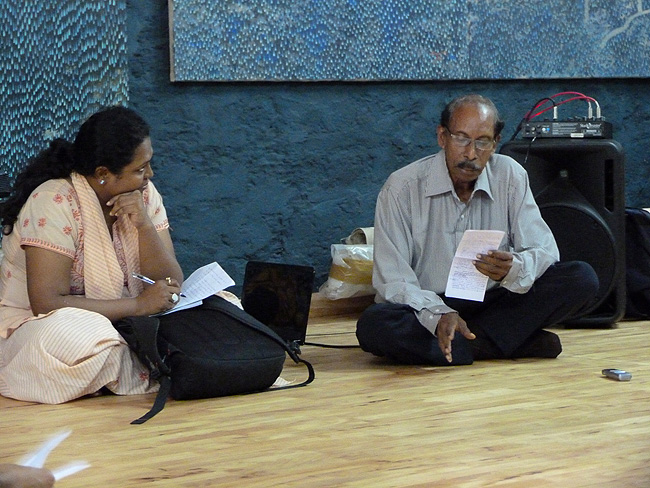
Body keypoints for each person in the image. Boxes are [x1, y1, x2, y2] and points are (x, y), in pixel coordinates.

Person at [356, 94, 599, 365]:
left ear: (495, 144)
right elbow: (394, 280)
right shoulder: (401, 188)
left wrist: (514, 268)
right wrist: (438, 314)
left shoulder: (510, 175)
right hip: (429, 304)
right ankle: (505, 342)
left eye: (482, 142)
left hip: (496, 300)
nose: (471, 154)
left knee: (581, 278)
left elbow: (544, 250)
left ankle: (469, 347)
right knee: (373, 325)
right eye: (461, 138)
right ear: (442, 137)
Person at [0, 106, 184, 403]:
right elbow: (46, 304)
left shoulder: (145, 195)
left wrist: (144, 225)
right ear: (102, 175)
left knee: (223, 304)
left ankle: (132, 360)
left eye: (148, 164)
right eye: (139, 169)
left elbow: (171, 282)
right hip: (35, 327)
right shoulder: (54, 200)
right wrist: (137, 305)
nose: (149, 175)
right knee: (83, 335)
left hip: (125, 322)